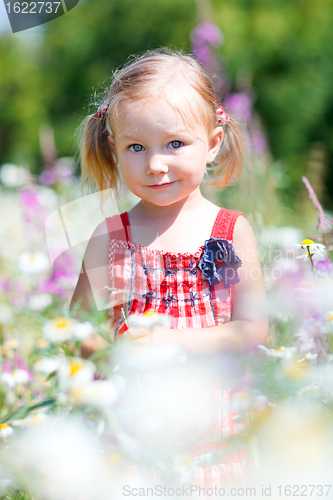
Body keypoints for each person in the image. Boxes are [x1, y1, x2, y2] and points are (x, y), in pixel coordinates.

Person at [71, 48, 268, 488]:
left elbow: (251, 328)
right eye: (136, 147)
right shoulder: (110, 236)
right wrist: (116, 351)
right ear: (114, 147)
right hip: (130, 441)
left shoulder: (230, 232)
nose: (156, 164)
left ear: (213, 143)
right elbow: (79, 328)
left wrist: (171, 342)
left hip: (212, 439)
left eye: (175, 144)